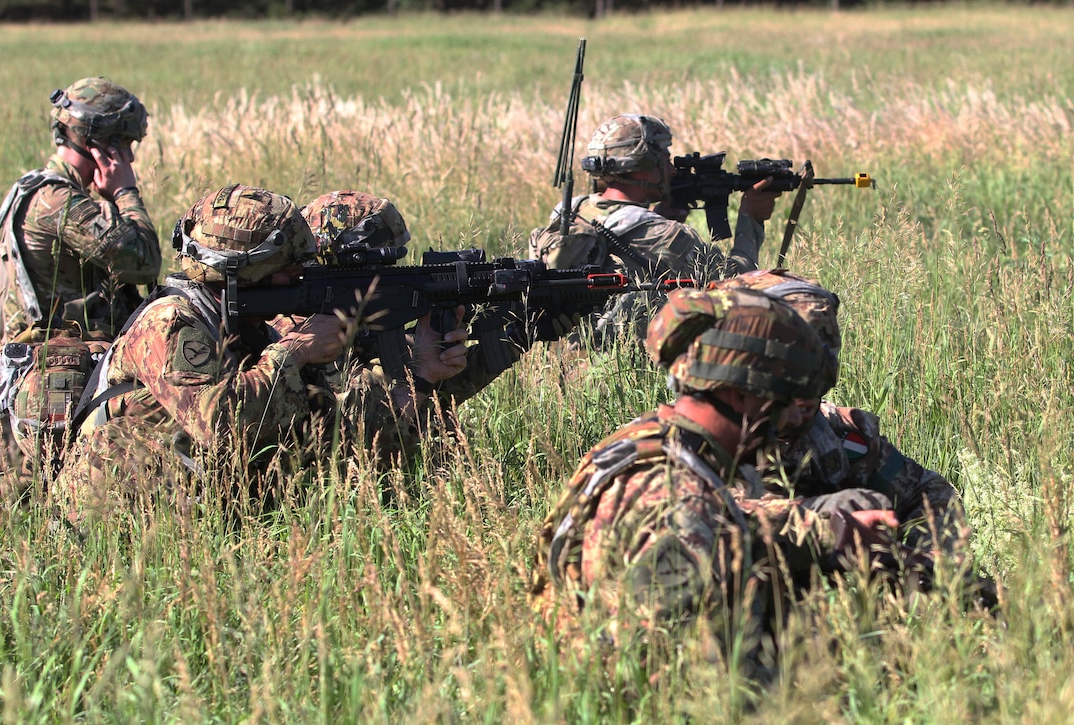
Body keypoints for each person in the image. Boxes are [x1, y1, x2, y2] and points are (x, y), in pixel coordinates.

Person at [530, 286, 900, 681]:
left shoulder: (648, 440)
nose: (789, 422)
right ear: (739, 393)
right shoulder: (681, 503)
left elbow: (729, 527)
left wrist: (832, 531)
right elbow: (649, 673)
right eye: (781, 400)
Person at [53, 184, 468, 523]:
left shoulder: (248, 328)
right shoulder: (169, 322)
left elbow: (327, 433)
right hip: (117, 527)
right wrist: (295, 352)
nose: (298, 274)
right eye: (284, 267)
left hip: (193, 514)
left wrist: (419, 376)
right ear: (241, 271)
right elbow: (220, 421)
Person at [711, 269, 982, 594]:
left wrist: (930, 559)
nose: (803, 401)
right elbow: (720, 518)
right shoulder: (704, 439)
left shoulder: (839, 435)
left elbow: (927, 492)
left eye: (815, 382)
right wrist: (835, 525)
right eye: (789, 381)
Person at [0, 76, 161, 481]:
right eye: (127, 145)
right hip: (67, 367)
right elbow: (143, 261)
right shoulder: (59, 201)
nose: (130, 156)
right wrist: (124, 193)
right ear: (104, 144)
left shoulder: (36, 190)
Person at [301, 189, 575, 404]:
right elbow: (363, 430)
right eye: (380, 261)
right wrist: (421, 375)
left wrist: (519, 335)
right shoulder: (304, 339)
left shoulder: (363, 328)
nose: (390, 268)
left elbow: (434, 400)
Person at [527, 113, 779, 343]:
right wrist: (750, 218)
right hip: (623, 367)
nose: (671, 169)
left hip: (568, 358)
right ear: (644, 166)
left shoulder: (570, 212)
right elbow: (735, 283)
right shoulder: (664, 235)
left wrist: (656, 217)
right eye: (665, 160)